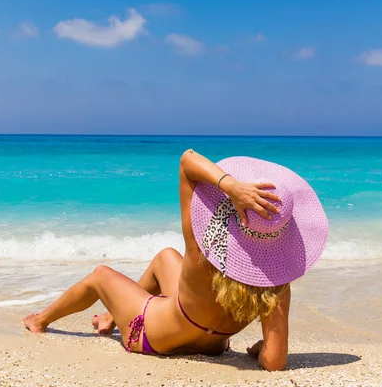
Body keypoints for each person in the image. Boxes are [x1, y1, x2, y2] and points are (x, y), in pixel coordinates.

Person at [23, 150, 328, 371]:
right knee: (166, 257)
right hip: (213, 346)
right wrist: (260, 350)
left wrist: (232, 187)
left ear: (232, 214)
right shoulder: (276, 284)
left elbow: (187, 162)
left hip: (150, 337)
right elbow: (275, 362)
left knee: (100, 275)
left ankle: (40, 321)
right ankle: (109, 317)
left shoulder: (200, 253)